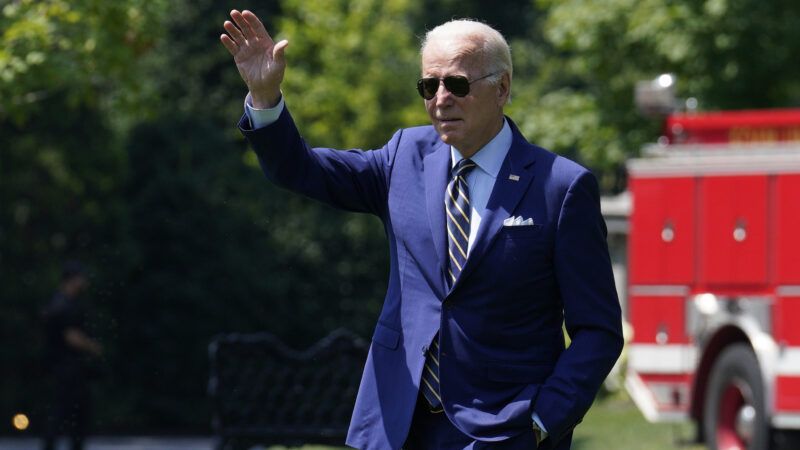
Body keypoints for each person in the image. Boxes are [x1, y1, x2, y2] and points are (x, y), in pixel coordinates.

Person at [221, 9, 623, 450]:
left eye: (457, 84)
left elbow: (598, 331)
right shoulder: (403, 156)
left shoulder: (561, 186)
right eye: (429, 86)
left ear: (502, 87)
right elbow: (300, 169)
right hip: (395, 426)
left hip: (504, 432)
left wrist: (546, 419)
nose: (441, 99)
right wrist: (265, 98)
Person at [41, 261, 103, 450]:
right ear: (72, 280)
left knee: (68, 411)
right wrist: (92, 346)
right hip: (67, 366)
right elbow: (71, 337)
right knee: (70, 411)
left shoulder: (59, 302)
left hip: (63, 365)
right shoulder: (63, 304)